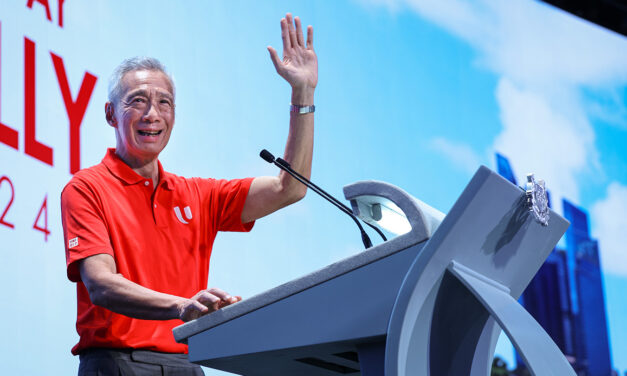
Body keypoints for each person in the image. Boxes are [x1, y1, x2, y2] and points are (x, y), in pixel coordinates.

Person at [61, 13, 317, 375]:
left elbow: (289, 188)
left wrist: (302, 92)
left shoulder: (198, 194)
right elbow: (101, 284)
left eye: (164, 103)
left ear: (174, 116)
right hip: (117, 363)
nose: (153, 114)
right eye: (137, 101)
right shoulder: (86, 188)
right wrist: (182, 306)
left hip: (187, 364)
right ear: (110, 114)